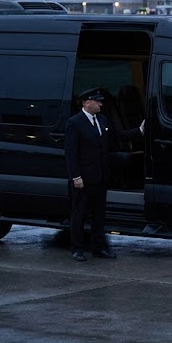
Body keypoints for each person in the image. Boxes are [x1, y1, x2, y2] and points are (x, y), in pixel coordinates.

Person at [64, 88, 144, 262]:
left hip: (100, 177)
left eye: (101, 101)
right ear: (87, 103)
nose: (101, 104)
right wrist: (75, 176)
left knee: (99, 215)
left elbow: (118, 136)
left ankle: (98, 247)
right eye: (97, 101)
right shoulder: (75, 123)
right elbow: (71, 153)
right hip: (83, 179)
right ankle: (76, 248)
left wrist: (139, 130)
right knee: (79, 214)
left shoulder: (102, 119)